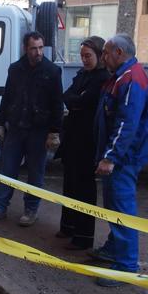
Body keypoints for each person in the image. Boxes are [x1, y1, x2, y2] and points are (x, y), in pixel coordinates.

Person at [0, 31, 63, 226]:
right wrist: (0, 123)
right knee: (7, 170)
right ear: (25, 49)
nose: (38, 52)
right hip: (16, 129)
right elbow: (7, 97)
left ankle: (31, 210)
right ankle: (0, 207)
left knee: (35, 173)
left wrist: (54, 132)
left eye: (41, 48)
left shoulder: (51, 71)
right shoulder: (16, 69)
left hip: (39, 131)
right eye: (34, 48)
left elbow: (57, 104)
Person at [90, 33, 148, 287]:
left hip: (123, 160)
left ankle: (126, 266)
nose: (103, 57)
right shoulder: (120, 77)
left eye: (106, 52)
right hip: (119, 158)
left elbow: (126, 124)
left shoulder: (131, 79)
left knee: (123, 210)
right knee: (114, 207)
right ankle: (114, 249)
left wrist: (110, 158)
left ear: (119, 53)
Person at [58, 36, 110, 250]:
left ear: (99, 55)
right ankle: (68, 226)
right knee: (70, 184)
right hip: (73, 138)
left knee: (84, 189)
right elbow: (68, 96)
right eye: (82, 56)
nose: (84, 60)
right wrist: (76, 99)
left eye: (88, 56)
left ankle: (83, 237)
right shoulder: (83, 75)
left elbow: (81, 100)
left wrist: (76, 100)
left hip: (87, 141)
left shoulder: (102, 78)